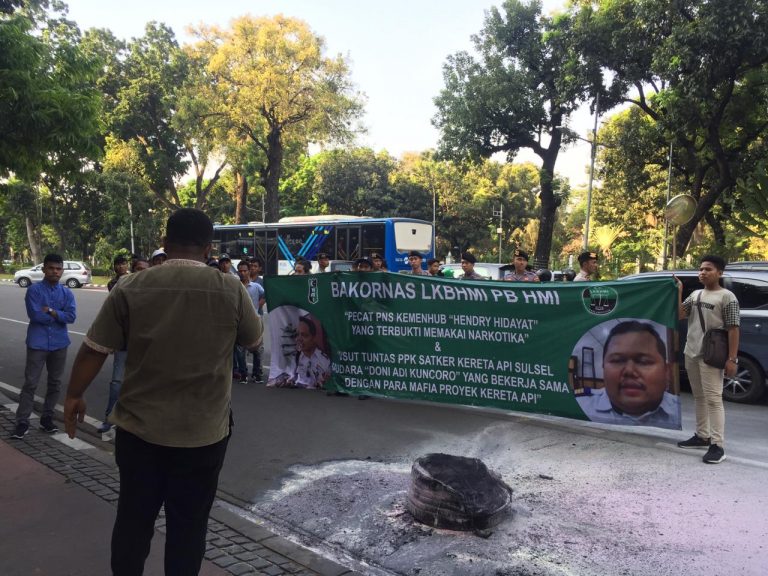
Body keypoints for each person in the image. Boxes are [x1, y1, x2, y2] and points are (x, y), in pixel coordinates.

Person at [63, 208, 263, 575]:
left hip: (140, 433)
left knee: (133, 521)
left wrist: (73, 394)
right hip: (203, 434)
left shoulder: (131, 286)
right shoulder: (230, 288)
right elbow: (254, 341)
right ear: (208, 248)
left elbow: (94, 348)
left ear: (165, 243)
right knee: (189, 527)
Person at [676, 255, 740, 464]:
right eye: (701, 269)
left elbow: (733, 329)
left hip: (712, 356)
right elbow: (680, 315)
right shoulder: (694, 294)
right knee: (699, 397)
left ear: (719, 273)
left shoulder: (727, 297)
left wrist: (732, 359)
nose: (703, 272)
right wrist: (679, 292)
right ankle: (702, 435)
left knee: (714, 399)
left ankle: (717, 445)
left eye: (708, 269)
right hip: (691, 352)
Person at [11, 254, 77, 439]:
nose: (55, 272)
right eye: (51, 268)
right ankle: (22, 422)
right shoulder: (34, 290)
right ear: (44, 269)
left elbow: (71, 317)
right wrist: (59, 315)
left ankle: (47, 418)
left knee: (55, 383)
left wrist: (52, 311)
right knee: (30, 383)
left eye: (58, 268)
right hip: (38, 343)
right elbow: (35, 316)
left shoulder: (67, 293)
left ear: (62, 270)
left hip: (59, 344)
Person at [577, 321, 680, 428]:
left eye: (644, 362)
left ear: (667, 371)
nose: (629, 371)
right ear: (603, 367)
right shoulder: (581, 405)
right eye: (617, 360)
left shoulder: (678, 409)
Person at [98, 255, 133, 433]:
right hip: (123, 342)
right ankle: (109, 418)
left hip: (142, 342)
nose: (122, 267)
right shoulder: (114, 283)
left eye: (124, 264)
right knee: (117, 382)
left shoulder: (138, 280)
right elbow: (116, 308)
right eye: (119, 264)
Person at [235, 260, 266, 383]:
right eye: (240, 271)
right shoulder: (235, 286)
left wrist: (258, 306)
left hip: (256, 321)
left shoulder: (256, 286)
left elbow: (265, 295)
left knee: (257, 349)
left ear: (249, 271)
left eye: (245, 271)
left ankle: (256, 374)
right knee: (240, 350)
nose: (243, 273)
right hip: (240, 321)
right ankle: (243, 374)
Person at [287, 315, 330, 389]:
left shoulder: (324, 360)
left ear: (313, 338)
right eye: (298, 335)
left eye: (304, 335)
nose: (299, 339)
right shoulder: (296, 357)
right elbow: (290, 375)